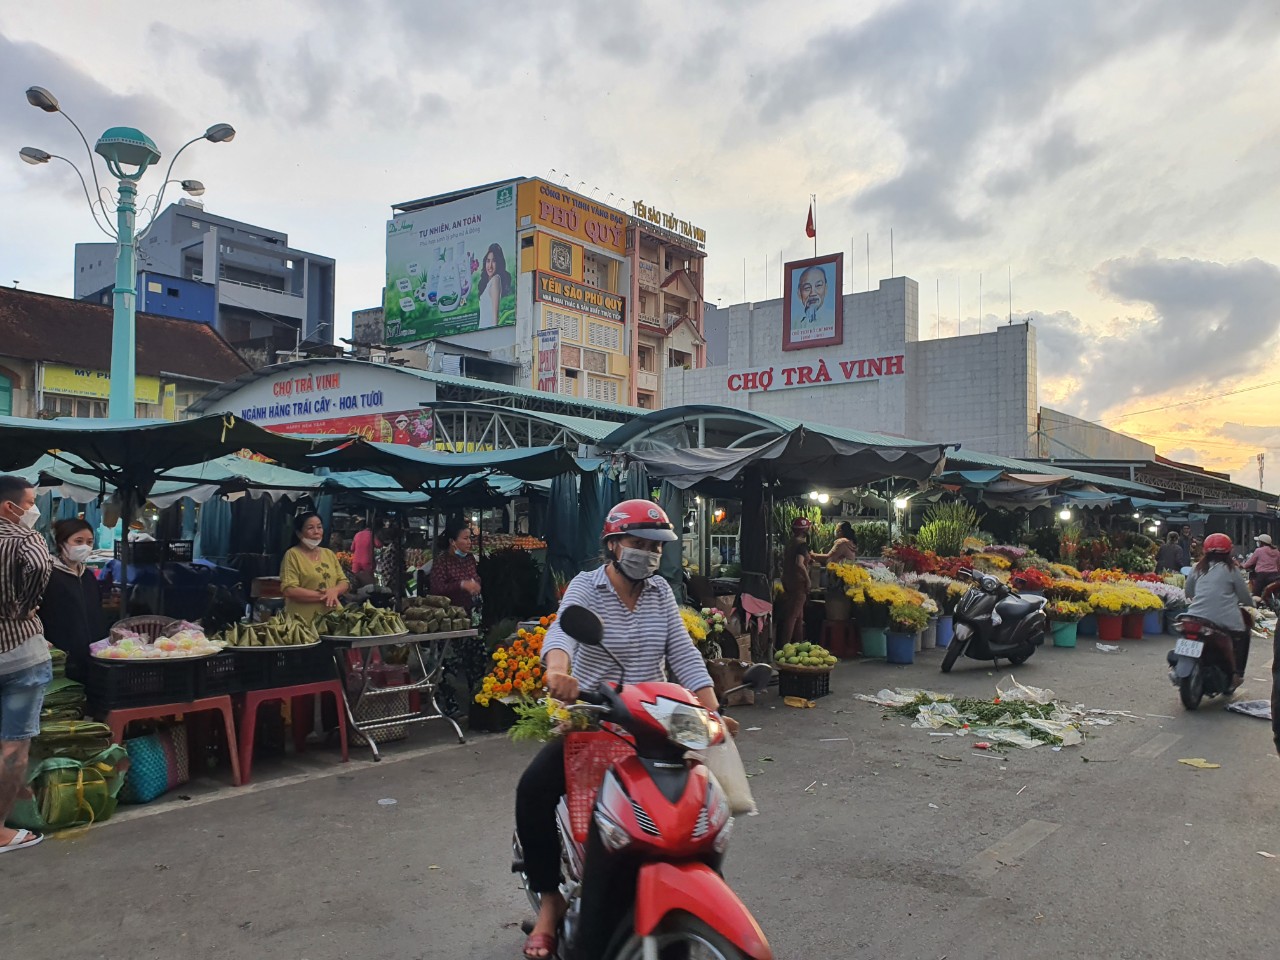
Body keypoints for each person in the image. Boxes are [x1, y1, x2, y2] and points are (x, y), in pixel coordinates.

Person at [515, 499, 733, 959]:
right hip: (594, 721)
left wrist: (714, 712)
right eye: (639, 544)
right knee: (533, 788)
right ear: (613, 544)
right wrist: (558, 671)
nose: (649, 554)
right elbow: (562, 634)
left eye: (656, 547)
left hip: (657, 727)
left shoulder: (660, 593)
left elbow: (685, 657)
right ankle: (551, 903)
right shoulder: (587, 586)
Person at [0, 475, 54, 854]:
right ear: (10, 506)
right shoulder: (24, 538)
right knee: (13, 747)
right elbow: (39, 567)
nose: (33, 510)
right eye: (30, 502)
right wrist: (24, 607)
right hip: (19, 653)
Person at [1184, 533, 1253, 692]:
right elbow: (1244, 596)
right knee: (1243, 635)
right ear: (1229, 551)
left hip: (1194, 616)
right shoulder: (1232, 570)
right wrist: (1252, 603)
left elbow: (1188, 592)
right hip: (1223, 620)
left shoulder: (1197, 568)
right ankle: (1237, 674)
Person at [39, 519, 105, 683]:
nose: (85, 546)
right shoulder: (48, 574)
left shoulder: (88, 576)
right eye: (78, 541)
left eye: (89, 542)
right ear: (62, 542)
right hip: (60, 655)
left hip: (92, 653)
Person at [280, 512, 349, 622]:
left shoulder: (329, 554)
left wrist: (335, 591)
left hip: (332, 620)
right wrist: (326, 596)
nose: (316, 531)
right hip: (303, 622)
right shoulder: (292, 555)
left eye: (319, 527)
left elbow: (344, 581)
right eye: (310, 528)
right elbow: (290, 590)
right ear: (299, 533)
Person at [428, 520, 481, 613]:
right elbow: (436, 589)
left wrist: (475, 584)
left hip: (470, 612)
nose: (469, 542)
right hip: (449, 615)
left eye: (470, 538)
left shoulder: (470, 558)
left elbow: (475, 577)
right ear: (452, 541)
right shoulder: (441, 562)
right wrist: (461, 584)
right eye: (465, 538)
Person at [778, 517, 813, 646]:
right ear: (805, 530)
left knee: (799, 616)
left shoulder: (791, 543)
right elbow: (799, 563)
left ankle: (799, 643)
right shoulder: (802, 545)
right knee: (792, 616)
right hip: (798, 583)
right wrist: (808, 579)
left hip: (788, 580)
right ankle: (785, 645)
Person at [477, 243, 510, 330]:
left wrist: (494, 333)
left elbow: (495, 316)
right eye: (488, 261)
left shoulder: (495, 280)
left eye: (494, 261)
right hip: (482, 331)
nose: (490, 265)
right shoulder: (487, 284)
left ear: (499, 263)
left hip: (488, 333)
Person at [350, 517, 378, 589]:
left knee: (354, 579)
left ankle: (356, 591)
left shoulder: (357, 535)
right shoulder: (371, 534)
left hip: (356, 561)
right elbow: (378, 544)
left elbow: (352, 548)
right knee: (369, 581)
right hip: (367, 560)